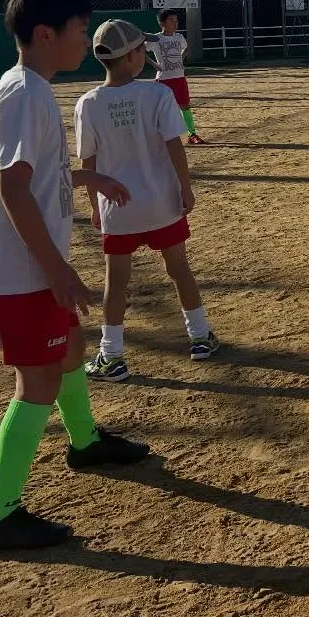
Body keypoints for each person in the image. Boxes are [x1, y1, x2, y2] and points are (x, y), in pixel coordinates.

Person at [0, 0, 150, 554]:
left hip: (31, 266)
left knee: (70, 352)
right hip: (23, 272)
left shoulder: (30, 88)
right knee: (38, 382)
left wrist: (88, 176)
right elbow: (13, 189)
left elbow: (37, 177)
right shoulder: (24, 94)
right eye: (78, 30)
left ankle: (86, 442)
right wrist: (55, 270)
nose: (85, 41)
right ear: (45, 33)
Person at [78, 19, 217, 384]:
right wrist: (185, 188)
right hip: (160, 201)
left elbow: (87, 163)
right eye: (142, 49)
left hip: (118, 206)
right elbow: (174, 145)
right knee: (179, 268)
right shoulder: (157, 95)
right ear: (133, 57)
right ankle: (200, 336)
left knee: (116, 281)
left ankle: (112, 355)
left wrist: (95, 205)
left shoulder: (88, 103)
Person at [147, 9, 204, 144]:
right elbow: (141, 51)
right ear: (162, 23)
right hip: (163, 79)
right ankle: (158, 135)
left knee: (185, 105)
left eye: (176, 20)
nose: (175, 23)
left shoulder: (179, 37)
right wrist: (155, 65)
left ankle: (192, 134)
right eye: (171, 20)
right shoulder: (156, 39)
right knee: (161, 108)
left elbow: (186, 47)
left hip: (179, 77)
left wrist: (181, 59)